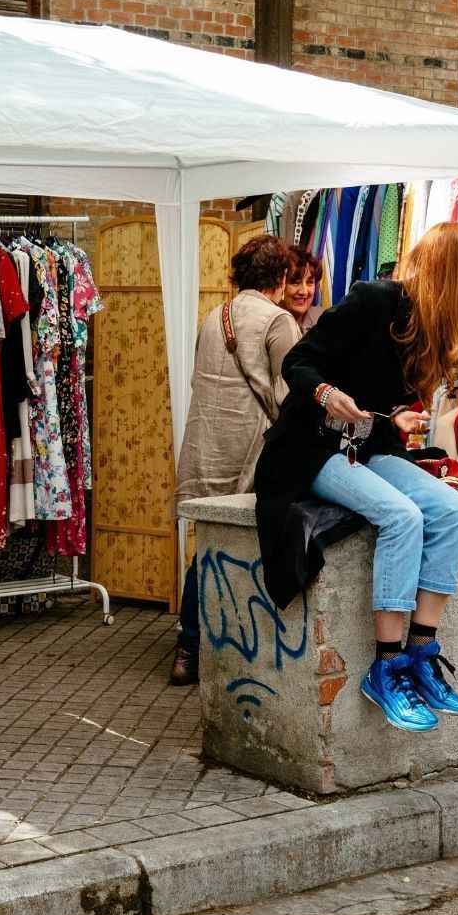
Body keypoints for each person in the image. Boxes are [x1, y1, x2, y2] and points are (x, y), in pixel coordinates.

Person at [253, 223, 458, 730]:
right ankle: (385, 666)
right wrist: (326, 394)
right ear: (455, 271)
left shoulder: (457, 326)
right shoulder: (375, 302)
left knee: (454, 511)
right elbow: (298, 361)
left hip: (368, 448)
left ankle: (419, 652)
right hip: (307, 451)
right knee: (402, 516)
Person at [173, 235, 301, 685]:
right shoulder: (279, 320)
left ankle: (189, 649)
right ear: (281, 276)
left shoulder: (216, 315)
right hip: (253, 447)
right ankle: (244, 649)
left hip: (207, 444)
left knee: (209, 543)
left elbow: (198, 378)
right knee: (254, 543)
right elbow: (293, 391)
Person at [282, 247, 323, 333]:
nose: (304, 291)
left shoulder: (322, 318)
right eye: (296, 282)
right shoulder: (268, 322)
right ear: (280, 285)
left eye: (310, 282)